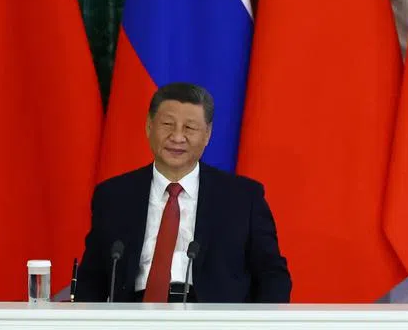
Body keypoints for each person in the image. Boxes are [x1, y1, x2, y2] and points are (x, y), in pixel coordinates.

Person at [76, 83, 291, 303]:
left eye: (190, 128)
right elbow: (91, 280)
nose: (177, 137)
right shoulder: (114, 196)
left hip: (214, 320)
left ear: (207, 134)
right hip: (134, 317)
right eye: (167, 124)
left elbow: (273, 276)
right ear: (149, 126)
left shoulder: (243, 198)